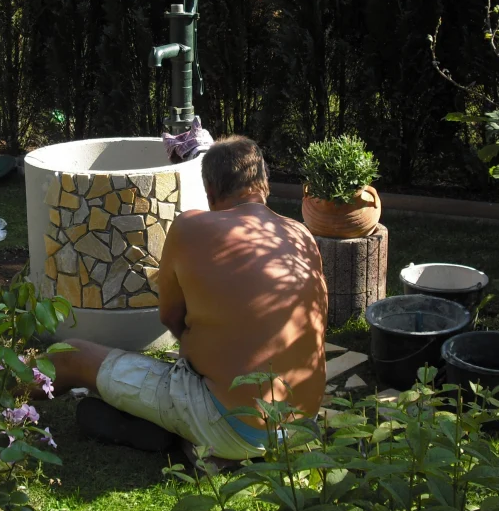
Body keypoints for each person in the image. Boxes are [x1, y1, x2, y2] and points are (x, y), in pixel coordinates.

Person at [45, 136, 328, 460]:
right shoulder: (302, 234)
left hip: (230, 423)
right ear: (264, 182)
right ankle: (189, 440)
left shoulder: (191, 227)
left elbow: (171, 317)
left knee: (72, 355)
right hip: (300, 426)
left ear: (209, 191)